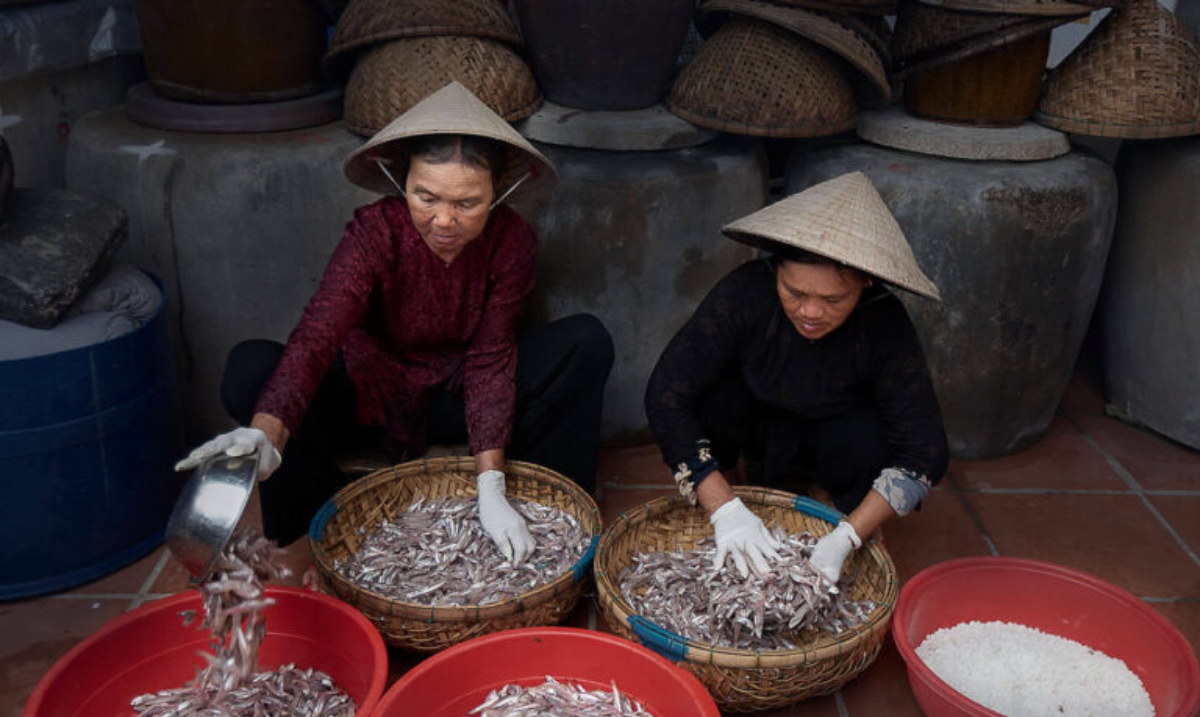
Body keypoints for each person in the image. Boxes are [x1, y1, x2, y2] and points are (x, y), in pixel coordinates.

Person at [177, 82, 614, 560]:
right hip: (372, 396)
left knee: (584, 341)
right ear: (401, 182)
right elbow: (319, 335)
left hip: (458, 398)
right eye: (425, 196)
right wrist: (268, 429)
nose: (443, 220)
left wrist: (490, 483)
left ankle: (552, 516)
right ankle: (326, 526)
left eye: (466, 204)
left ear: (498, 193)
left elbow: (492, 357)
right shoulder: (374, 231)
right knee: (251, 366)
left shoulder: (512, 241)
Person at [645, 171, 948, 584]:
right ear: (777, 272)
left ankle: (834, 506)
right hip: (754, 418)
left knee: (869, 437)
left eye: (832, 300)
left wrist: (847, 537)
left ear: (866, 283)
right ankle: (737, 496)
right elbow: (666, 394)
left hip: (836, 433)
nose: (809, 312)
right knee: (711, 395)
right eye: (795, 292)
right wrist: (723, 507)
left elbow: (924, 452)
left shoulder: (884, 322)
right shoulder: (746, 293)